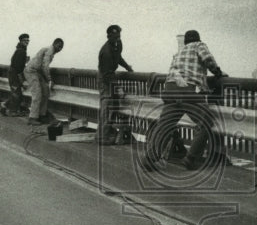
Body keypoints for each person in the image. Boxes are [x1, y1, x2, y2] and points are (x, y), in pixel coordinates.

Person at [140, 29, 227, 171]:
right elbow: (208, 59)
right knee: (206, 122)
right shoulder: (199, 45)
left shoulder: (178, 53)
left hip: (169, 89)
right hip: (187, 90)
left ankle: (149, 159)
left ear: (185, 41)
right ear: (198, 39)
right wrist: (217, 72)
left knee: (165, 126)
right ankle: (191, 159)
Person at [96, 24, 134, 142]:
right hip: (105, 78)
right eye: (115, 37)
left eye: (119, 36)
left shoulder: (118, 44)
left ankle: (108, 132)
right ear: (108, 37)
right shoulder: (105, 52)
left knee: (114, 106)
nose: (117, 39)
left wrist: (128, 67)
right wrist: (118, 88)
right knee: (106, 107)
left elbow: (118, 57)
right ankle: (102, 137)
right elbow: (107, 75)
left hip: (111, 76)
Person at [24, 37, 64, 125]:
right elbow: (45, 66)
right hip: (31, 71)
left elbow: (42, 67)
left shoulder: (50, 51)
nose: (60, 49)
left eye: (61, 47)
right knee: (37, 93)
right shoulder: (50, 51)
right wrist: (49, 79)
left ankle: (42, 115)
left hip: (38, 72)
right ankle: (32, 118)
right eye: (59, 46)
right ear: (54, 44)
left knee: (46, 92)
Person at [1, 33, 30, 116]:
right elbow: (18, 68)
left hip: (13, 73)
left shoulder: (20, 50)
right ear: (20, 41)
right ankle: (12, 111)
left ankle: (5, 105)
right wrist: (22, 81)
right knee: (17, 93)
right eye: (25, 40)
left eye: (28, 40)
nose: (27, 42)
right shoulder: (21, 51)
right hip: (14, 74)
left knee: (16, 92)